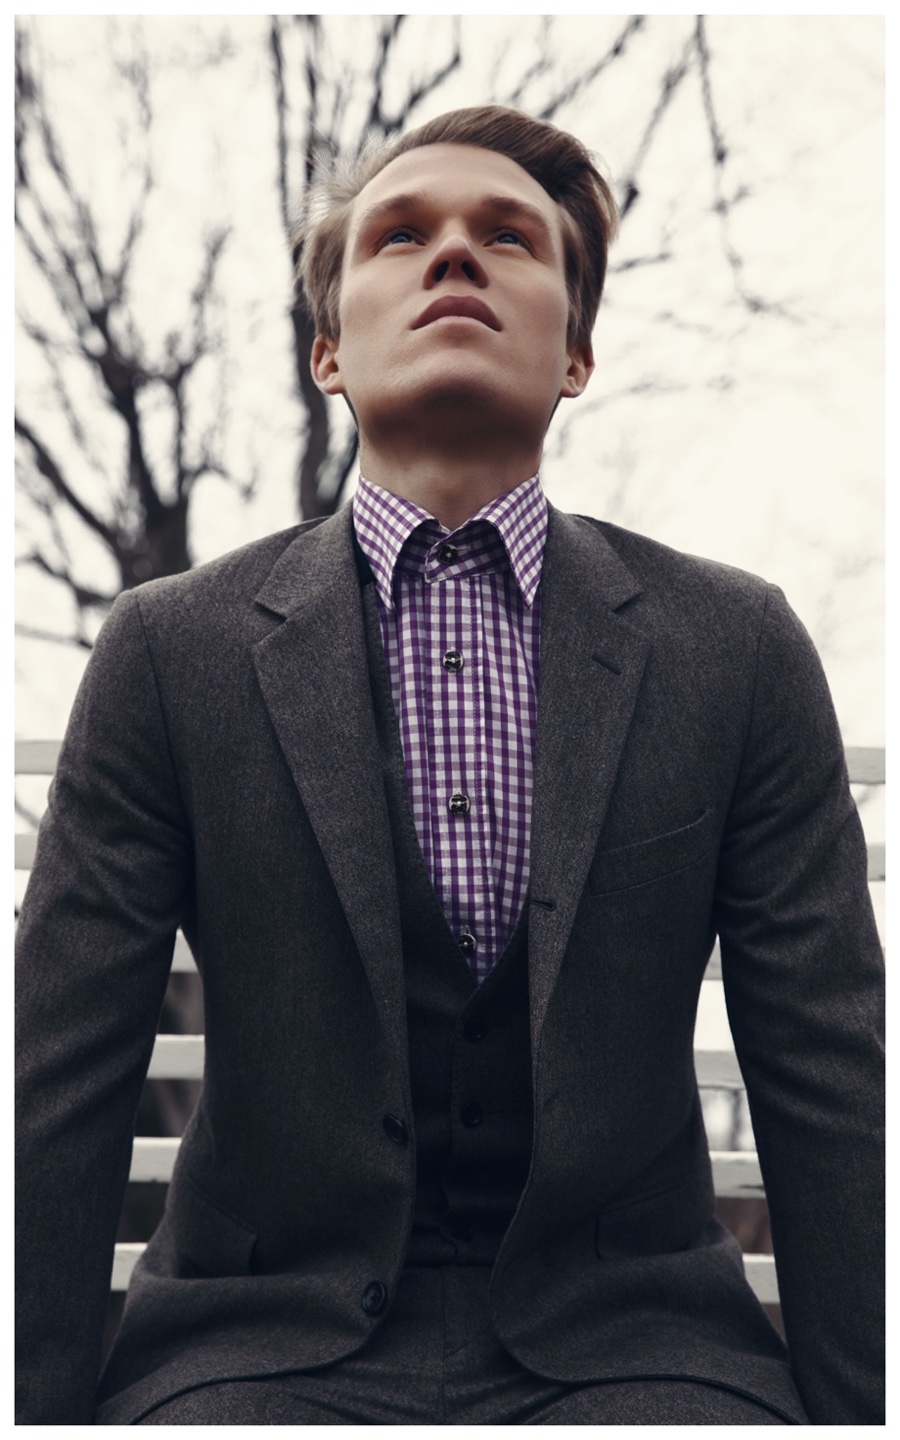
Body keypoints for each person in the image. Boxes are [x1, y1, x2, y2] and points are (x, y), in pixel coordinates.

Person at [15, 105, 883, 1425]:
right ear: (327, 351)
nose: (456, 255)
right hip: (256, 1352)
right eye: (402, 235)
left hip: (642, 1356)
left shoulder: (737, 647)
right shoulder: (169, 651)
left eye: (510, 237)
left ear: (576, 352)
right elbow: (58, 1076)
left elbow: (829, 1075)